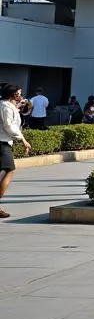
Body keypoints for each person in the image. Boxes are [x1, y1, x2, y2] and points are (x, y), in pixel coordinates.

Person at [0, 83, 30, 219]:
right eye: (19, 93)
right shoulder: (5, 106)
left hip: (5, 142)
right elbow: (8, 125)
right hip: (2, 143)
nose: (21, 95)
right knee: (9, 170)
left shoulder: (8, 106)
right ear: (13, 95)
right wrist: (22, 139)